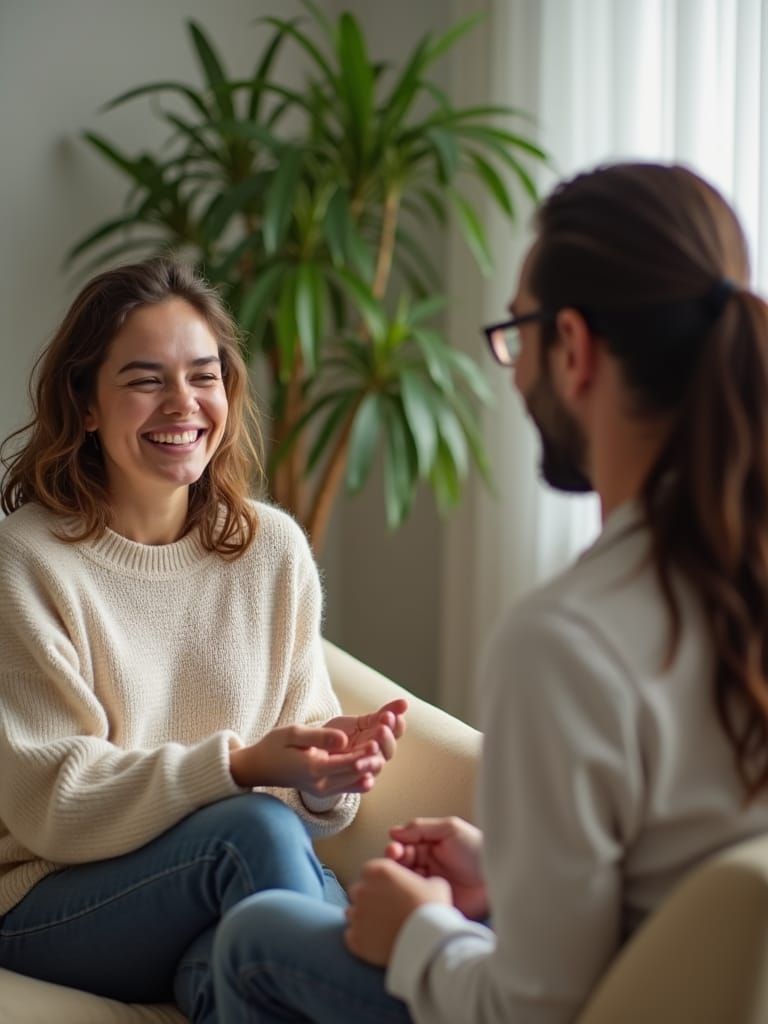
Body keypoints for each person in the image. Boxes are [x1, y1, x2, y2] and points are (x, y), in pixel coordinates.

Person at [212, 160, 768, 1023]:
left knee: (257, 937)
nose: (512, 371)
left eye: (518, 333)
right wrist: (513, 878)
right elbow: (688, 906)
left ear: (574, 348)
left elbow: (532, 1012)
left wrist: (423, 932)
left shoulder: (570, 640)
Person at [0, 258, 407, 1022]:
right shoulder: (26, 560)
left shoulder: (272, 551)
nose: (183, 404)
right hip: (46, 901)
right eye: (145, 380)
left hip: (213, 893)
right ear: (85, 404)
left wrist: (324, 777)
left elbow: (299, 798)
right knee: (257, 842)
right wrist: (244, 765)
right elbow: (54, 802)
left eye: (204, 374)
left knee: (234, 963)